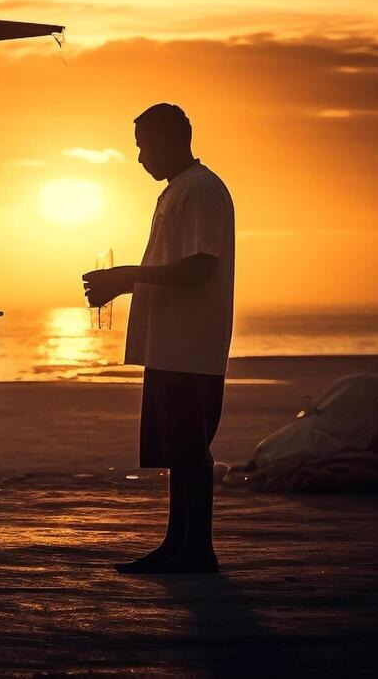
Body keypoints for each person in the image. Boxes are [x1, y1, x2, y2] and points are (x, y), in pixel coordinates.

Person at [83, 103, 235, 574]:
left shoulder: (201, 191)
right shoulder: (177, 191)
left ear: (173, 141)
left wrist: (127, 275)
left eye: (144, 146)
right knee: (175, 447)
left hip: (191, 345)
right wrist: (125, 282)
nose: (140, 157)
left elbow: (200, 266)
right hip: (169, 343)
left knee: (189, 447)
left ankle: (198, 550)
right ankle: (178, 543)